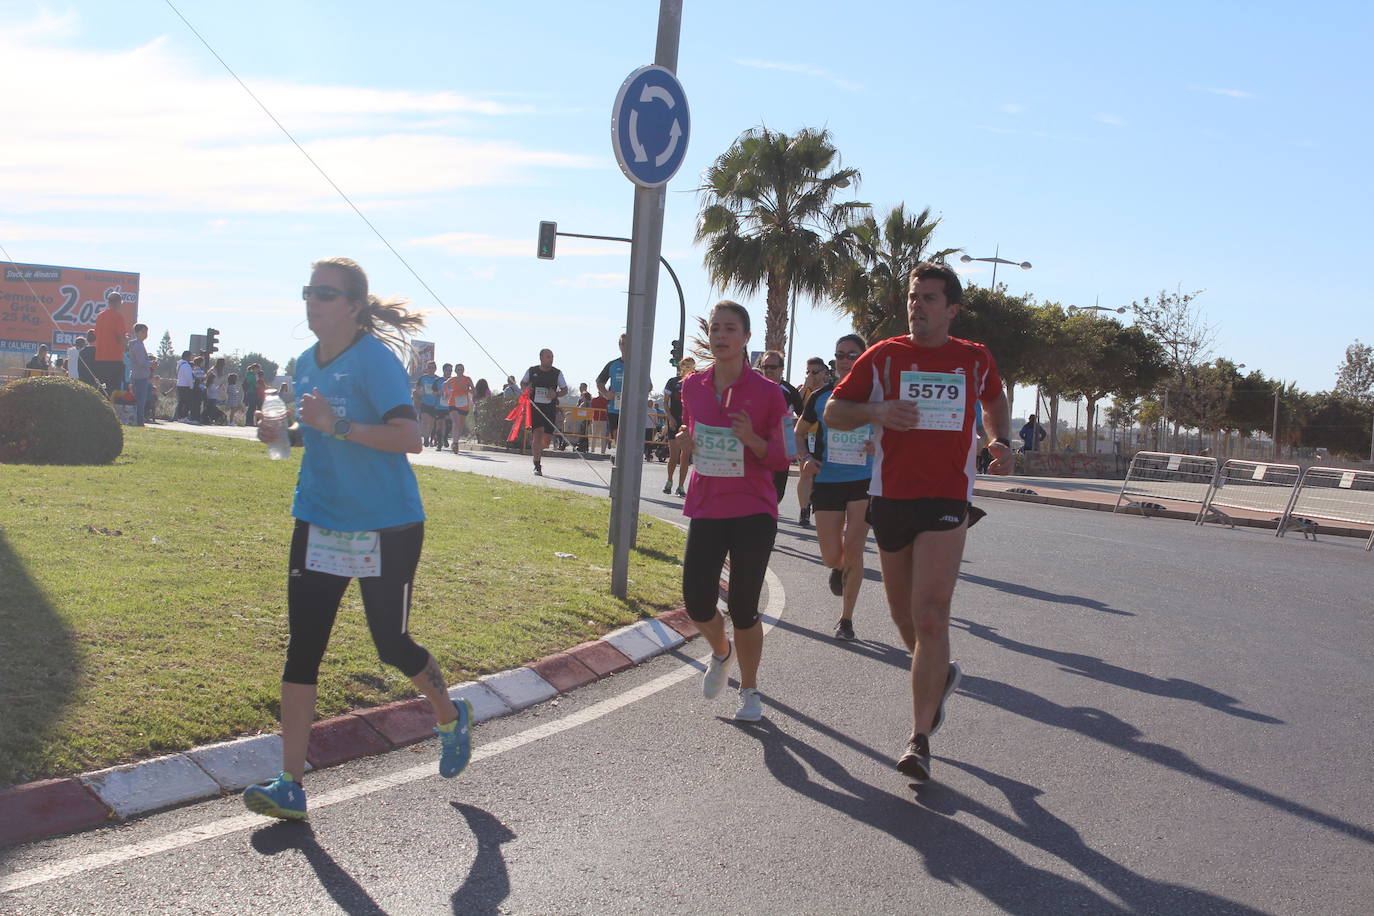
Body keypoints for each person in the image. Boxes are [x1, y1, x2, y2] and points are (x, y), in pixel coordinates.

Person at [242, 256, 472, 821]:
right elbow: (314, 432)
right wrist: (284, 432)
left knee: (390, 644)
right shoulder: (304, 362)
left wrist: (335, 425)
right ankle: (290, 784)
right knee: (303, 649)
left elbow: (410, 438)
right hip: (319, 518)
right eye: (308, 291)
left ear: (351, 305)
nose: (312, 301)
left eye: (324, 293)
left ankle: (449, 714)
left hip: (385, 524)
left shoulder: (376, 361)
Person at [825, 261, 1013, 784]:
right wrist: (878, 412)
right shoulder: (884, 356)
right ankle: (941, 674)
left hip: (948, 496)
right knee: (905, 617)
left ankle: (919, 738)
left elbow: (995, 396)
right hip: (891, 495)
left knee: (932, 613)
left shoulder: (973, 359)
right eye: (913, 297)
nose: (918, 305)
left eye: (929, 298)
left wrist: (999, 439)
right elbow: (835, 412)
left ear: (951, 309)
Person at [676, 301, 790, 721]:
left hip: (754, 508)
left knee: (743, 606)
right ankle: (721, 652)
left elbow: (783, 457)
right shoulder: (693, 387)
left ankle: (752, 691)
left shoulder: (768, 393)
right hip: (707, 502)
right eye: (716, 329)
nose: (721, 336)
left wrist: (752, 440)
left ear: (746, 338)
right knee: (697, 600)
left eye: (730, 329)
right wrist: (686, 440)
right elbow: (691, 432)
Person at [799, 334, 875, 641]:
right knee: (833, 556)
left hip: (864, 481)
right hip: (829, 479)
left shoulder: (877, 396)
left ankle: (846, 620)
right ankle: (838, 566)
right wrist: (804, 458)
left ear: (864, 357)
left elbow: (899, 432)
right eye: (840, 355)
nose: (845, 360)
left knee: (854, 551)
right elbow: (799, 432)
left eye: (852, 354)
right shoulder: (822, 396)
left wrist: (879, 446)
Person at [755, 350, 803, 506]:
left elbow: (803, 415)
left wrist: (795, 430)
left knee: (778, 489)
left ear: (782, 368)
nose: (768, 370)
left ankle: (770, 511)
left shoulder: (789, 390)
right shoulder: (753, 387)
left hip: (782, 444)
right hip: (757, 442)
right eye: (765, 366)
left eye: (773, 367)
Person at [595, 334, 652, 454]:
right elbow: (599, 381)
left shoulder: (639, 364)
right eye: (622, 343)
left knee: (630, 438)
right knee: (617, 436)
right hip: (614, 408)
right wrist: (606, 394)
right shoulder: (612, 364)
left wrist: (637, 393)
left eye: (627, 343)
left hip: (633, 408)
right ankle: (620, 460)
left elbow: (649, 386)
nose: (625, 346)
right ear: (619, 346)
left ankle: (627, 460)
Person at [795, 356, 831, 527]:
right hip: (806, 436)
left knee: (823, 475)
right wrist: (805, 388)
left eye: (815, 372)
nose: (812, 375)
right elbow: (796, 408)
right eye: (808, 372)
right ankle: (804, 510)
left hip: (824, 438)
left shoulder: (830, 392)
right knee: (805, 473)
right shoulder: (803, 390)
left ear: (824, 373)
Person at [521, 348, 568, 476]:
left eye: (552, 357)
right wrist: (527, 389)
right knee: (537, 434)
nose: (551, 359)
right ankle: (537, 465)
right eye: (548, 356)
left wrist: (556, 394)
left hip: (549, 408)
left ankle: (538, 450)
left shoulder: (557, 373)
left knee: (546, 441)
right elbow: (523, 383)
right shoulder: (532, 371)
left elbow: (565, 390)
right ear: (541, 358)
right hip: (535, 408)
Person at [662, 356, 696, 495]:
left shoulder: (696, 381)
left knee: (685, 456)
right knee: (674, 455)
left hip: (688, 423)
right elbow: (665, 402)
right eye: (685, 365)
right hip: (674, 420)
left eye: (691, 365)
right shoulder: (672, 382)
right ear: (680, 366)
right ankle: (669, 481)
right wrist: (669, 418)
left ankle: (681, 486)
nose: (688, 367)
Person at [93, 291, 129, 396]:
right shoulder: (118, 317)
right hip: (114, 360)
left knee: (101, 390)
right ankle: (111, 411)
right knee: (113, 392)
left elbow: (96, 335)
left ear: (108, 302)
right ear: (118, 302)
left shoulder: (100, 316)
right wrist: (127, 339)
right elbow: (121, 339)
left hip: (100, 359)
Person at [443, 363, 475, 453]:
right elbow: (445, 384)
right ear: (456, 371)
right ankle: (455, 444)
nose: (460, 371)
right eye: (458, 369)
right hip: (453, 403)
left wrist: (467, 390)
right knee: (456, 422)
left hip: (464, 405)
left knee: (460, 426)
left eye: (461, 369)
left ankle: (455, 441)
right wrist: (446, 393)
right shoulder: (453, 379)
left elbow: (474, 390)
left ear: (463, 370)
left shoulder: (467, 379)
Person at [126, 324, 154, 427]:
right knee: (140, 402)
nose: (146, 334)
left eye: (146, 332)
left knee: (138, 401)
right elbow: (141, 362)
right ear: (137, 332)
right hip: (140, 377)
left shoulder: (137, 344)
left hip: (137, 376)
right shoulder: (138, 345)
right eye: (143, 332)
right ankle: (139, 422)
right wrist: (152, 364)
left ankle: (137, 421)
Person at [415, 360, 442, 447]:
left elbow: (441, 390)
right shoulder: (423, 378)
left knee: (431, 422)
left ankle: (428, 435)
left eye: (433, 367)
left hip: (434, 404)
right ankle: (425, 438)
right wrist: (420, 392)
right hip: (424, 402)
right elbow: (417, 388)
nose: (431, 369)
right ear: (427, 369)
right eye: (429, 367)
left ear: (435, 369)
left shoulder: (438, 379)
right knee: (424, 420)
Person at [174, 351, 195, 421]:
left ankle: (179, 417)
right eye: (190, 356)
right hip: (186, 386)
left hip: (179, 384)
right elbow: (189, 376)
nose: (191, 358)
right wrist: (191, 385)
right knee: (187, 402)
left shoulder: (179, 364)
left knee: (181, 402)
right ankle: (184, 416)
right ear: (187, 357)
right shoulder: (186, 365)